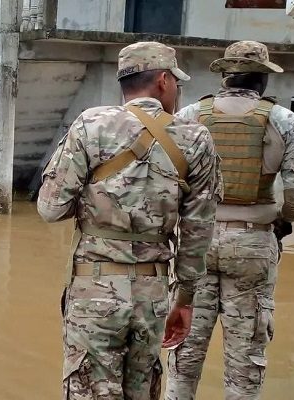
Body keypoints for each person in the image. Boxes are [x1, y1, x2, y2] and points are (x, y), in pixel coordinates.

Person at [37, 41, 220, 400]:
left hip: (93, 292)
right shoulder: (196, 137)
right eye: (177, 83)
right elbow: (198, 231)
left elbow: (49, 208)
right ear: (164, 81)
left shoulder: (91, 124)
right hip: (153, 297)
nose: (178, 91)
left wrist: (96, 203)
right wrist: (183, 299)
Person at [165, 40, 294, 400]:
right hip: (252, 244)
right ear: (262, 79)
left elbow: (167, 183)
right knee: (246, 357)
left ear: (225, 76)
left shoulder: (188, 116)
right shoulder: (284, 120)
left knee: (184, 352)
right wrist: (281, 220)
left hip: (194, 243)